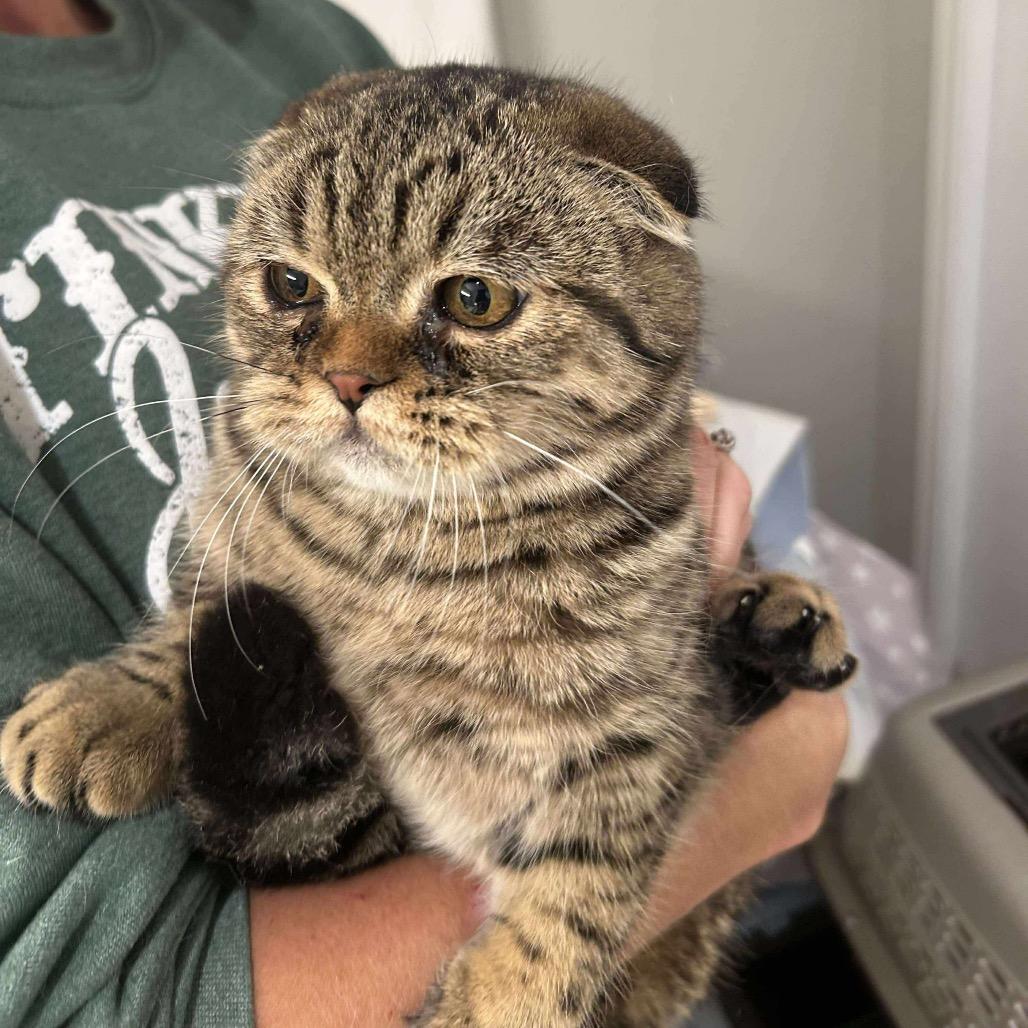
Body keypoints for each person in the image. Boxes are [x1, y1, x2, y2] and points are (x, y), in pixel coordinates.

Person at [0, 2, 848, 1025]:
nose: (350, 369)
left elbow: (633, 765)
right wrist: (159, 680)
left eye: (473, 300)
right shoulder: (275, 464)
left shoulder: (289, 30)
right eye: (290, 287)